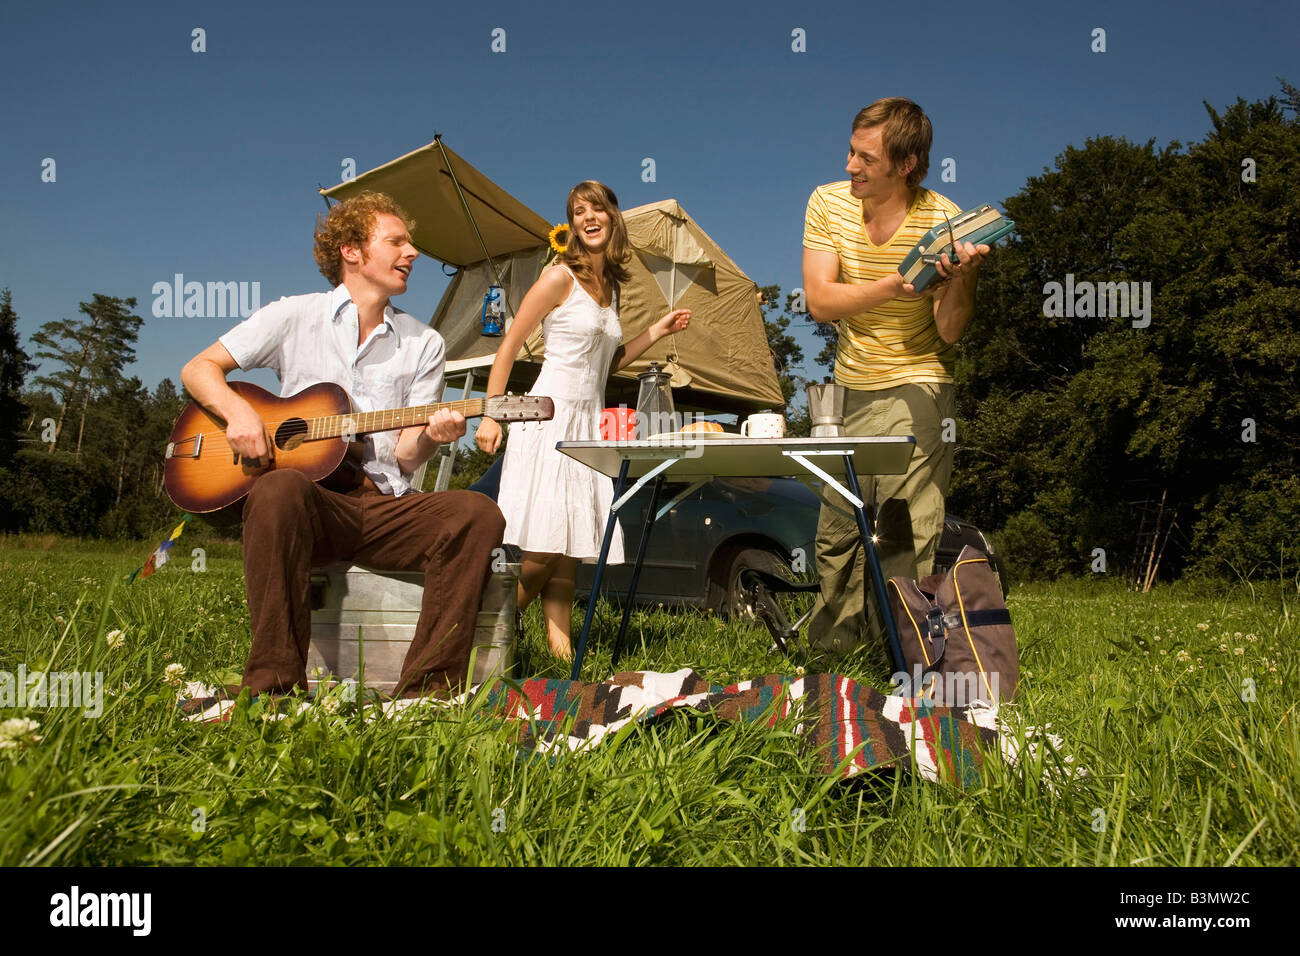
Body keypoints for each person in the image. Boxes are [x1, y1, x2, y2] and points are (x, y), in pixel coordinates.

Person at [180, 191, 506, 699]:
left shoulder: (425, 343)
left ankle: (427, 695)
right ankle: (273, 691)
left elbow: (404, 456)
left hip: (383, 507)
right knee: (278, 489)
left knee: (476, 512)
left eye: (410, 243)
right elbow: (198, 369)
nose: (413, 252)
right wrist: (240, 412)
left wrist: (434, 436)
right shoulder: (293, 315)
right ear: (352, 251)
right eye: (396, 241)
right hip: (311, 502)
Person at [801, 97, 990, 655]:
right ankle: (832, 654)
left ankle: (902, 654)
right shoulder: (827, 203)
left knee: (903, 530)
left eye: (865, 158)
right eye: (850, 151)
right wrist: (897, 284)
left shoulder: (942, 220)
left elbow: (951, 331)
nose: (849, 166)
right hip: (847, 389)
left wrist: (963, 278)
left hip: (920, 381)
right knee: (838, 527)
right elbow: (819, 301)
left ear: (906, 165)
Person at [474, 181, 690, 660]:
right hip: (549, 419)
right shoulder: (558, 277)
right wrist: (492, 413)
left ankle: (561, 650)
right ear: (571, 224)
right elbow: (508, 346)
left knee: (570, 542)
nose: (588, 217)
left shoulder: (610, 288)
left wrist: (657, 330)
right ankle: (485, 628)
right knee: (545, 545)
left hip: (587, 423)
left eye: (597, 209)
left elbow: (607, 363)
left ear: (613, 217)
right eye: (577, 211)